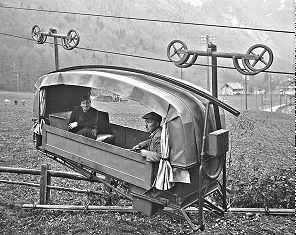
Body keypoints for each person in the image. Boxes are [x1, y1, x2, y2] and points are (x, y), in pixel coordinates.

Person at [132, 112, 162, 180]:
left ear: (157, 124)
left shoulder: (158, 136)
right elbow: (151, 141)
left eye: (149, 122)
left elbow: (161, 156)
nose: (146, 125)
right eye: (146, 122)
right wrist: (141, 145)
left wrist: (146, 153)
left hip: (157, 171)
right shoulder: (157, 132)